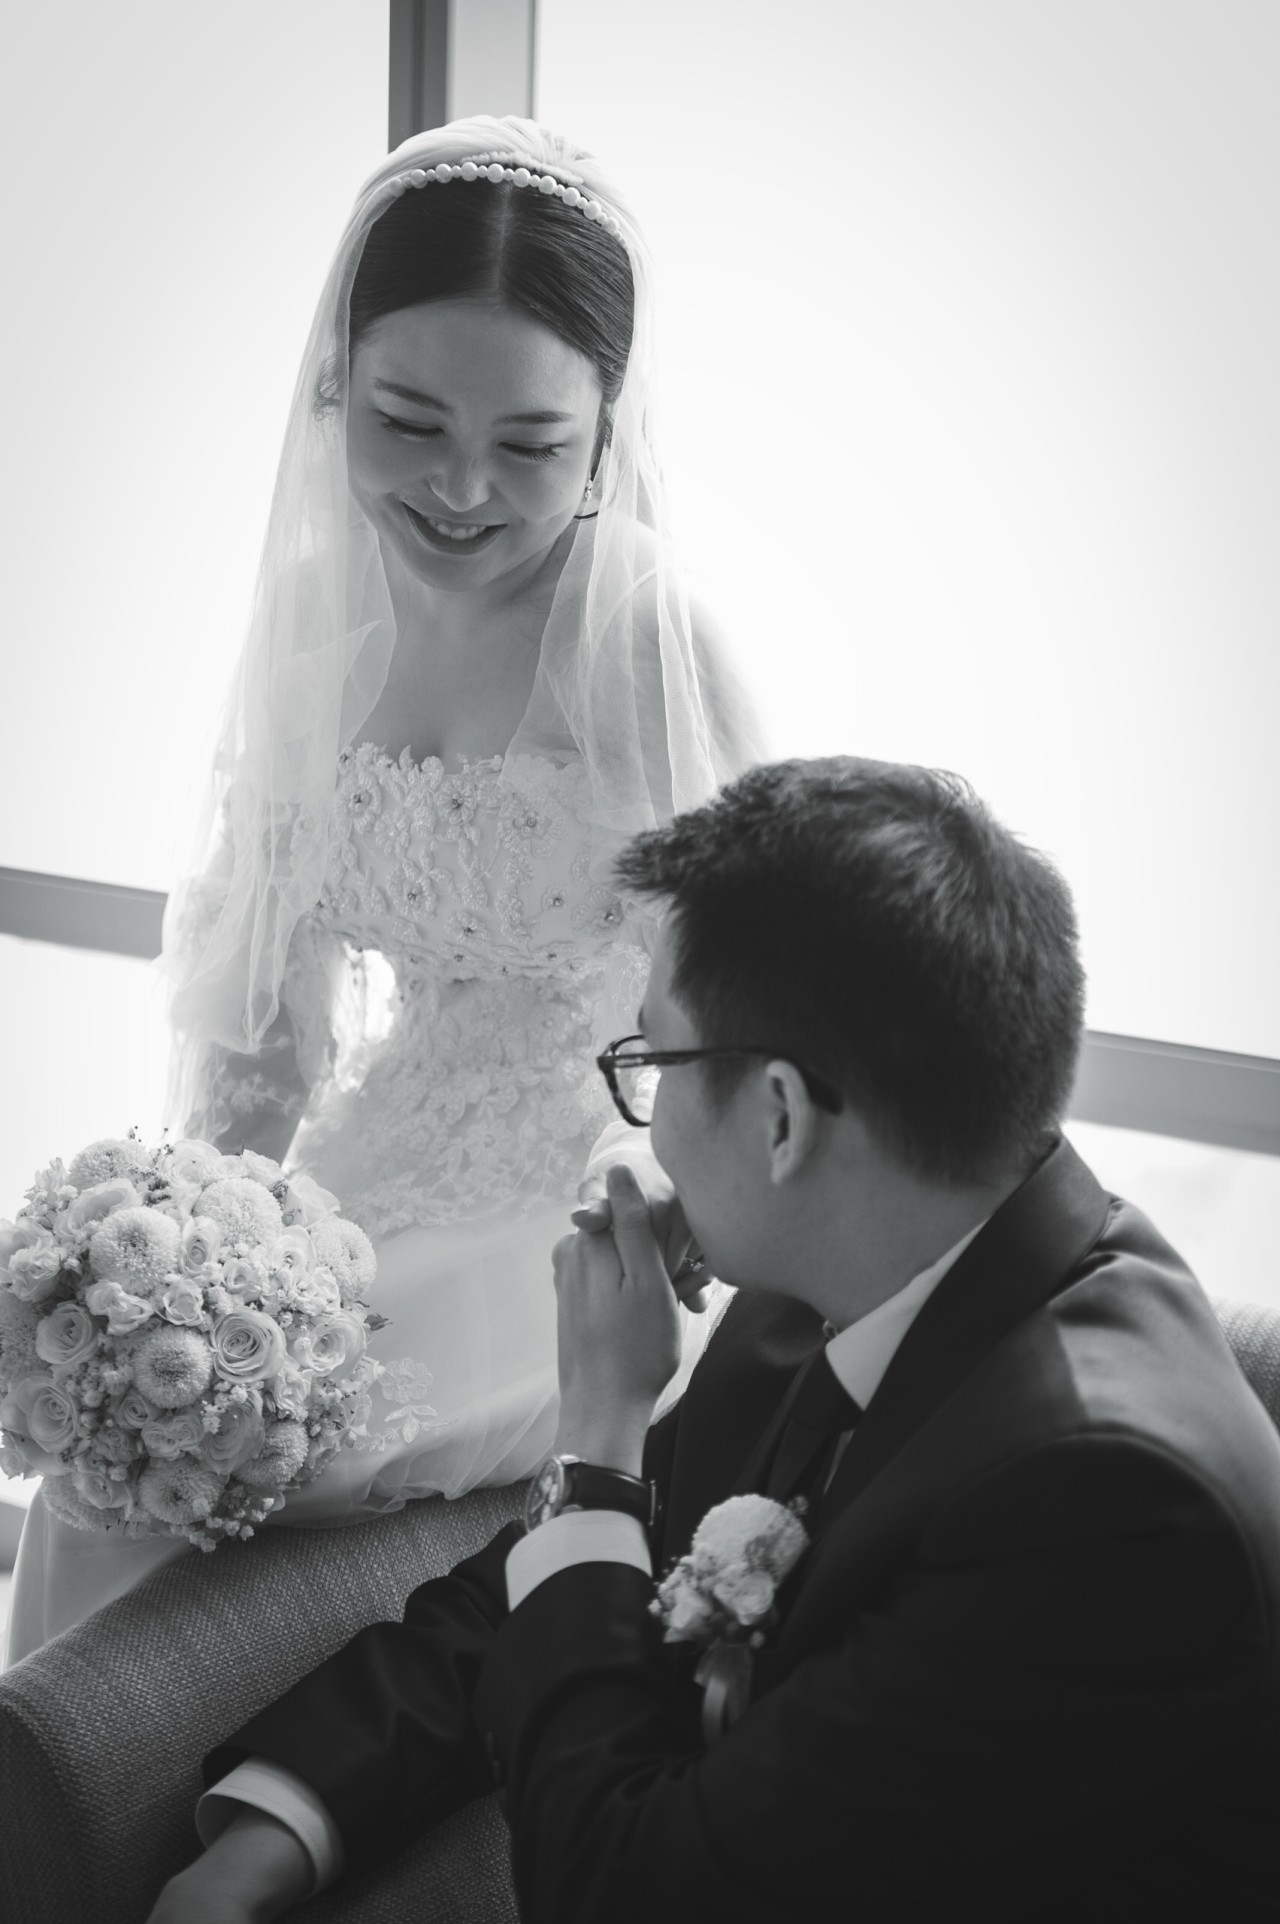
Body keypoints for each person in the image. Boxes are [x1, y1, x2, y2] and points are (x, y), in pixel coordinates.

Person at [147, 758, 1280, 1923]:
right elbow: (557, 1586)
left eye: (651, 1065)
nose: (641, 1133)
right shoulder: (833, 1282)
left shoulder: (1102, 1505)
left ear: (780, 1117)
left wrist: (599, 1434)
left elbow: (626, 1891)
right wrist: (278, 1823)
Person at [3, 116, 760, 1664]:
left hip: (583, 1207)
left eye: (531, 446)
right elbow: (266, 1018)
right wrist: (201, 1247)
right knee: (132, 1434)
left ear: (606, 431)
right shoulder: (316, 620)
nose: (464, 488)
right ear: (335, 385)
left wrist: (673, 1216)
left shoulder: (640, 636)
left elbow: (758, 984)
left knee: (274, 1449)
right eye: (412, 422)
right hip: (371, 1177)